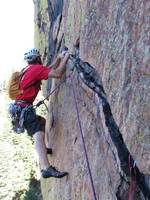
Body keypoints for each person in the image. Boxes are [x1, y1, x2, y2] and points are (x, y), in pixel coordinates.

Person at [15, 48, 69, 178]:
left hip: (20, 108)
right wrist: (66, 58)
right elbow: (57, 74)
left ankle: (44, 149)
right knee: (38, 134)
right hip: (24, 109)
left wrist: (59, 58)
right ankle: (46, 168)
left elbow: (48, 69)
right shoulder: (35, 69)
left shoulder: (28, 70)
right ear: (37, 58)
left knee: (42, 122)